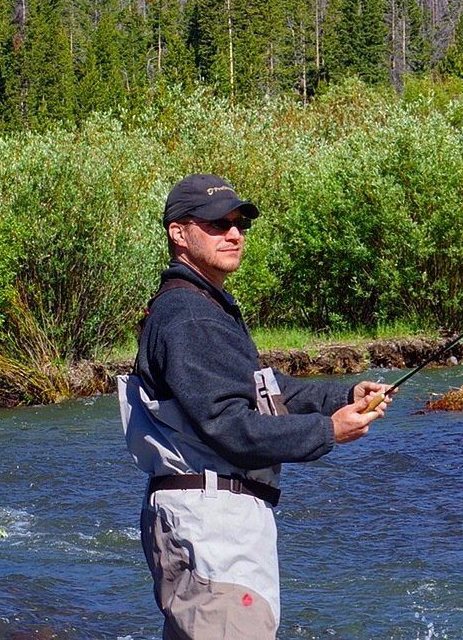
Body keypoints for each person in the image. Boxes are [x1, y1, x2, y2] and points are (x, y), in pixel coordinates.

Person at [118, 174, 392, 638]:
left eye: (239, 223)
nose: (234, 234)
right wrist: (328, 431)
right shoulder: (189, 316)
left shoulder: (203, 305)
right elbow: (230, 427)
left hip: (210, 523)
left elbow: (262, 390)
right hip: (213, 531)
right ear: (178, 234)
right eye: (216, 224)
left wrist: (343, 398)